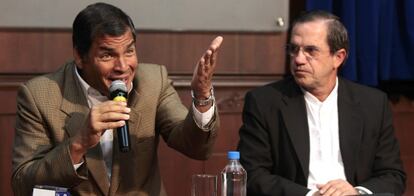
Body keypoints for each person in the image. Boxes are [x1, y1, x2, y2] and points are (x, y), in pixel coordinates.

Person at [12, 2, 223, 196]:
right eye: (107, 55)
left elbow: (196, 147)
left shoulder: (152, 81)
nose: (123, 67)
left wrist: (202, 95)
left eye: (129, 51)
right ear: (79, 56)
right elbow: (23, 184)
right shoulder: (39, 95)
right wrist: (79, 143)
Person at [237, 10, 406, 196]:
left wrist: (357, 193)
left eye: (311, 50)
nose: (299, 59)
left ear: (338, 58)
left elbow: (392, 175)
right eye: (294, 49)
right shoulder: (264, 102)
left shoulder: (373, 103)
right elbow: (252, 174)